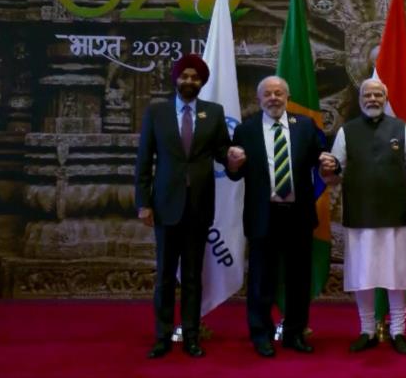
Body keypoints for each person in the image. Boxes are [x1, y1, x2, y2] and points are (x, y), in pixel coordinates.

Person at [319, 79, 406, 355]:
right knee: (363, 274)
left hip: (395, 213)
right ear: (360, 99)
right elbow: (334, 173)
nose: (372, 99)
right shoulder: (347, 131)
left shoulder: (401, 128)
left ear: (385, 99)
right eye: (367, 95)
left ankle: (398, 331)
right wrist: (328, 169)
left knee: (397, 275)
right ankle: (366, 330)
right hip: (360, 214)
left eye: (378, 95)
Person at [135, 54, 234, 359]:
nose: (189, 81)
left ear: (202, 82)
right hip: (165, 206)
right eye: (184, 76)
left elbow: (222, 151)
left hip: (199, 207)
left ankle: (191, 335)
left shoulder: (214, 113)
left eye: (195, 78)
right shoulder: (157, 112)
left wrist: (234, 158)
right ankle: (162, 336)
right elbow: (144, 161)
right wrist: (144, 203)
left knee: (192, 276)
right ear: (175, 79)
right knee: (165, 276)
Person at [225, 75, 322, 358]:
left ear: (287, 97)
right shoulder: (246, 130)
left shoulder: (305, 126)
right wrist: (233, 165)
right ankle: (261, 334)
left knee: (298, 280)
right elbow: (235, 174)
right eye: (267, 94)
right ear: (259, 99)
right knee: (261, 280)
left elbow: (322, 159)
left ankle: (295, 334)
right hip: (263, 215)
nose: (273, 98)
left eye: (279, 93)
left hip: (298, 215)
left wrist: (330, 164)